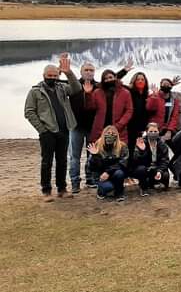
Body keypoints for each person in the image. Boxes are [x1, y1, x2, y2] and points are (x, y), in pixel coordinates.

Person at [24, 54, 81, 201]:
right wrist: (42, 130)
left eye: (55, 75)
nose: (52, 78)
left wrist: (68, 72)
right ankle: (46, 191)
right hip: (47, 132)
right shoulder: (35, 91)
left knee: (62, 161)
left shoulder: (62, 88)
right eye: (49, 75)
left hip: (64, 130)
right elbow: (29, 112)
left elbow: (76, 88)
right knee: (47, 161)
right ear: (44, 75)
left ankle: (62, 189)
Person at [67, 61, 97, 192]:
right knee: (75, 157)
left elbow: (113, 79)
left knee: (92, 155)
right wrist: (66, 71)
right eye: (86, 70)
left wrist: (124, 70)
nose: (89, 72)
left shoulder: (98, 86)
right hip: (76, 127)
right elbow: (57, 83)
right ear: (81, 72)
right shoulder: (73, 85)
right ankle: (75, 182)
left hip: (93, 128)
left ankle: (90, 179)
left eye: (91, 70)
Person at [85, 69, 134, 145]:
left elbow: (129, 110)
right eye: (106, 78)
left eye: (110, 77)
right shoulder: (97, 92)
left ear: (115, 77)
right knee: (99, 155)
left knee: (118, 154)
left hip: (118, 130)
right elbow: (91, 107)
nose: (108, 80)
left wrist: (119, 125)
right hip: (100, 129)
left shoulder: (125, 92)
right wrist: (88, 94)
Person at [88, 125, 129, 201]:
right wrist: (95, 156)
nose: (110, 135)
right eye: (108, 133)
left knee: (119, 173)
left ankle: (119, 193)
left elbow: (123, 163)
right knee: (108, 187)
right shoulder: (97, 145)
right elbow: (92, 168)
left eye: (113, 133)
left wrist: (108, 172)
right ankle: (101, 191)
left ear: (117, 135)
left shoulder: (122, 146)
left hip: (114, 173)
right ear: (103, 134)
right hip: (100, 175)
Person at [129, 122, 170, 196]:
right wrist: (142, 150)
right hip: (144, 168)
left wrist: (160, 171)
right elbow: (135, 160)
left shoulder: (162, 144)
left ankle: (155, 182)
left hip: (156, 168)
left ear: (158, 132)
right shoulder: (141, 142)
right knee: (142, 170)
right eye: (150, 131)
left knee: (165, 175)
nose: (153, 133)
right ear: (146, 132)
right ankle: (143, 188)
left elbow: (165, 160)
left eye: (155, 131)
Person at [145, 78, 180, 144]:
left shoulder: (174, 100)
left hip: (167, 130)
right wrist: (154, 96)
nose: (166, 86)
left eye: (168, 84)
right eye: (164, 84)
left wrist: (170, 131)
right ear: (160, 85)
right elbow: (149, 108)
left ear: (171, 86)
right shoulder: (153, 96)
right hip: (153, 129)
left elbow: (175, 116)